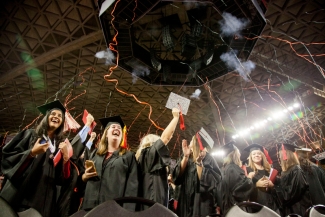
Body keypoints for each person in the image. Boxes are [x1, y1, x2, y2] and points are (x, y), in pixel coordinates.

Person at [0, 100, 77, 217]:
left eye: (60, 116)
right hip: (22, 197)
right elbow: (8, 157)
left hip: (45, 203)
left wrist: (66, 158)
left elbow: (63, 180)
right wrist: (31, 153)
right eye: (53, 114)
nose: (56, 117)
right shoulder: (30, 135)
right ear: (46, 118)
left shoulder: (59, 148)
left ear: (62, 123)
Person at [80, 115, 138, 211]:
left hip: (113, 209)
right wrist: (84, 177)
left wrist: (127, 212)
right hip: (90, 206)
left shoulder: (128, 156)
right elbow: (82, 180)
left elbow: (132, 188)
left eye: (119, 128)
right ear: (106, 134)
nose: (117, 129)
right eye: (113, 127)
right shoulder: (95, 154)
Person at [135, 107, 179, 208]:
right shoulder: (148, 154)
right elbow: (166, 137)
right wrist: (175, 118)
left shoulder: (142, 159)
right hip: (152, 203)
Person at [172, 131, 221, 217]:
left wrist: (199, 163)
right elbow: (177, 178)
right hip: (185, 202)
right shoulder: (186, 157)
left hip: (201, 203)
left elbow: (208, 183)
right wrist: (185, 157)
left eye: (191, 141)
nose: (189, 143)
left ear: (196, 143)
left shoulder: (209, 159)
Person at [274, 143, 312, 216]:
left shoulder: (296, 170)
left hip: (299, 208)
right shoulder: (286, 171)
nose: (279, 157)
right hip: (291, 208)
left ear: (285, 156)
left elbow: (290, 194)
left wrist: (274, 188)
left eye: (280, 155)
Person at [219, 141, 254, 215]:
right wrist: (249, 178)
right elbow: (239, 191)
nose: (240, 154)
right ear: (235, 154)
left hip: (228, 208)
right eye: (238, 153)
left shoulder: (223, 169)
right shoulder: (233, 168)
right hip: (236, 208)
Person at [244, 144, 279, 213]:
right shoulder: (247, 171)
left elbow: (280, 187)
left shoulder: (269, 170)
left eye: (259, 153)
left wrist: (272, 186)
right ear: (250, 157)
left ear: (262, 156)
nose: (256, 155)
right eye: (254, 154)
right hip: (258, 206)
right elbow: (244, 189)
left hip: (273, 204)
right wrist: (256, 185)